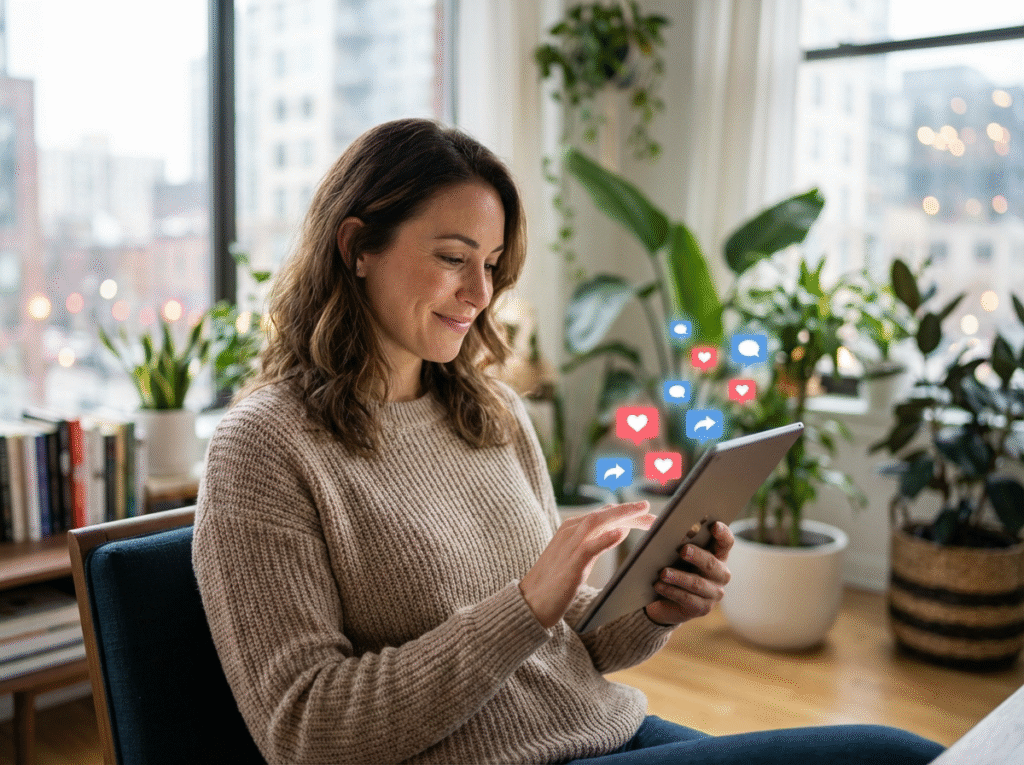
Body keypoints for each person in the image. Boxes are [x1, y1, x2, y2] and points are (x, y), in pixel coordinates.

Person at [192, 118, 944, 765]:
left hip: (600, 730)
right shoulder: (264, 449)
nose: (481, 295)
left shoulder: (491, 413)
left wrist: (653, 605)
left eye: (491, 266)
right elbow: (305, 730)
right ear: (357, 245)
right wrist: (525, 604)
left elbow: (558, 643)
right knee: (898, 757)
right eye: (454, 258)